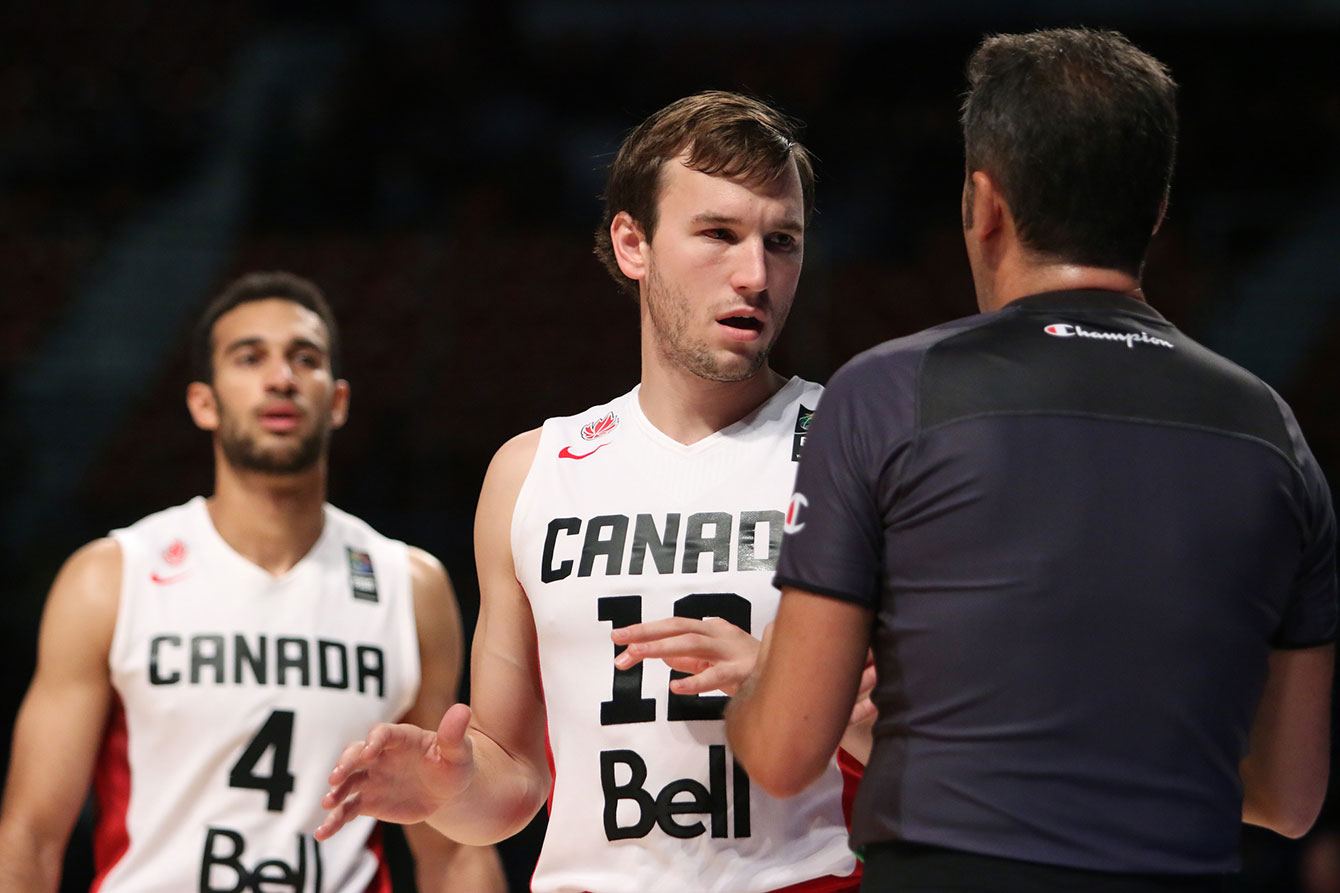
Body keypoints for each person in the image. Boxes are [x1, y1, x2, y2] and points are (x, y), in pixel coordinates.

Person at [727, 27, 1336, 893]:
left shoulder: (888, 393)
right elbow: (1288, 795)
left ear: (984, 204)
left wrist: (760, 683)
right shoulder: (1272, 430)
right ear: (1154, 213)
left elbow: (786, 751)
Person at [316, 91, 870, 892]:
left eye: (781, 241)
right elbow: (511, 780)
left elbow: (944, 760)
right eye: (718, 233)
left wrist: (788, 692)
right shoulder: (531, 471)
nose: (756, 273)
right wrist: (448, 788)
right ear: (631, 242)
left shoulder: (859, 444)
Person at [0, 272, 506, 892]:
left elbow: (453, 845)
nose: (281, 378)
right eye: (249, 357)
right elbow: (30, 835)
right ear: (203, 401)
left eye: (305, 358)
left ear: (338, 400)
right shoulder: (111, 577)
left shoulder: (410, 586)